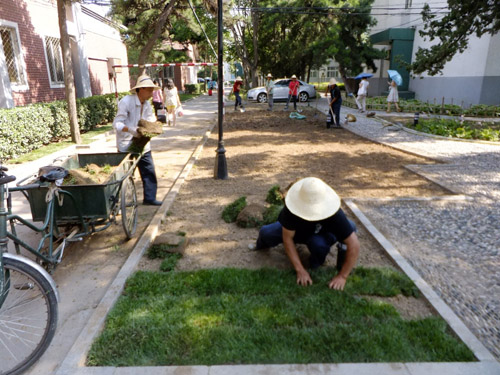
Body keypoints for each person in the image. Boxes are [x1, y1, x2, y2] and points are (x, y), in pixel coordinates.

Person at [250, 177, 360, 290]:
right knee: (266, 233)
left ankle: (314, 263)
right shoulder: (291, 209)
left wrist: (342, 276)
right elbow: (287, 238)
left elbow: (354, 244)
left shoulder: (335, 213)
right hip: (297, 231)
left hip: (320, 233)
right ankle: (260, 246)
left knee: (319, 246)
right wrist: (300, 270)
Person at [113, 74, 162, 206]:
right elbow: (117, 124)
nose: (152, 93)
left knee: (148, 170)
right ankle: (117, 202)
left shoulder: (146, 104)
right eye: (150, 90)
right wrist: (131, 130)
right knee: (125, 174)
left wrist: (153, 126)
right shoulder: (126, 102)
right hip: (126, 144)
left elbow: (150, 119)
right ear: (141, 89)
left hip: (142, 144)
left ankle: (150, 198)